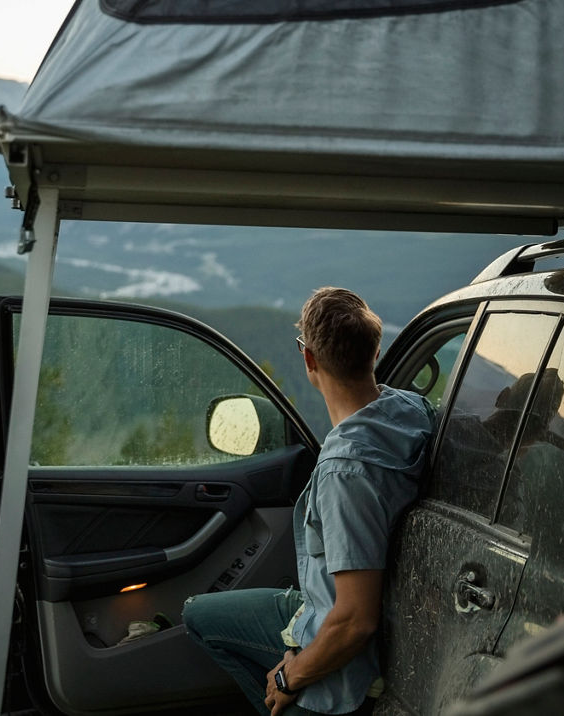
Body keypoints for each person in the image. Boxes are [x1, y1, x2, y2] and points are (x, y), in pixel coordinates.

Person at [183, 287, 437, 716]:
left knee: (199, 619)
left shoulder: (345, 472)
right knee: (201, 614)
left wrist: (290, 674)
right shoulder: (413, 410)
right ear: (375, 353)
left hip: (341, 652)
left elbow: (355, 620)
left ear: (309, 360)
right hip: (326, 608)